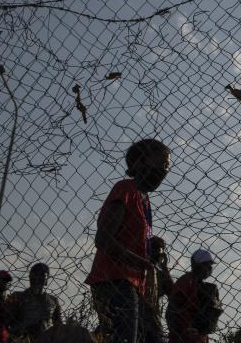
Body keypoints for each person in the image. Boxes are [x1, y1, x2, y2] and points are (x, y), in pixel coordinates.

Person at [85, 139, 171, 343]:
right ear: (139, 163)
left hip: (133, 284)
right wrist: (141, 262)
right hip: (114, 280)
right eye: (161, 163)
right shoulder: (125, 190)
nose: (165, 170)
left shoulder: (144, 200)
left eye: (167, 166)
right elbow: (104, 239)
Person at [167, 250, 216, 343]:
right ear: (197, 265)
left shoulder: (204, 286)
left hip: (197, 338)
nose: (209, 268)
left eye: (210, 265)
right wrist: (178, 333)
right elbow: (172, 310)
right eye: (206, 265)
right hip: (184, 337)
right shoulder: (186, 281)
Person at [6, 264, 61, 343]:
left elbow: (58, 325)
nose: (37, 277)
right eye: (35, 274)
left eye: (42, 274)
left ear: (47, 279)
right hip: (21, 339)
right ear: (29, 277)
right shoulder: (16, 296)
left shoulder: (53, 300)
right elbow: (6, 321)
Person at [140, 237, 172, 343]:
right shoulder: (140, 267)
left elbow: (172, 293)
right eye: (154, 248)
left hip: (153, 319)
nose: (157, 251)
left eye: (160, 248)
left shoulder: (160, 273)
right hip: (139, 315)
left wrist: (165, 268)